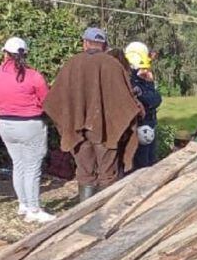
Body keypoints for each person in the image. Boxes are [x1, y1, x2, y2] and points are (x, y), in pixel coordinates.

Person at [44, 27, 143, 201]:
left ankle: (85, 213)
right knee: (107, 174)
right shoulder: (113, 65)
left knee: (85, 173)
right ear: (104, 45)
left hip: (78, 130)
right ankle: (105, 214)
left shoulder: (71, 64)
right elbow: (126, 101)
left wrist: (69, 121)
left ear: (85, 43)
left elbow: (54, 100)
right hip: (107, 132)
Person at [0, 37, 54, 223]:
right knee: (32, 168)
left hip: (6, 124)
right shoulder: (34, 76)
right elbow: (46, 101)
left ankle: (23, 204)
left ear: (5, 53)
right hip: (30, 124)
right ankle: (34, 209)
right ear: (25, 54)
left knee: (18, 165)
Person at [125, 42, 161, 169]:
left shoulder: (143, 78)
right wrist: (148, 88)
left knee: (150, 162)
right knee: (142, 165)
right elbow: (153, 100)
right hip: (139, 126)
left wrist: (149, 84)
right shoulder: (130, 80)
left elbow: (156, 99)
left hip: (150, 124)